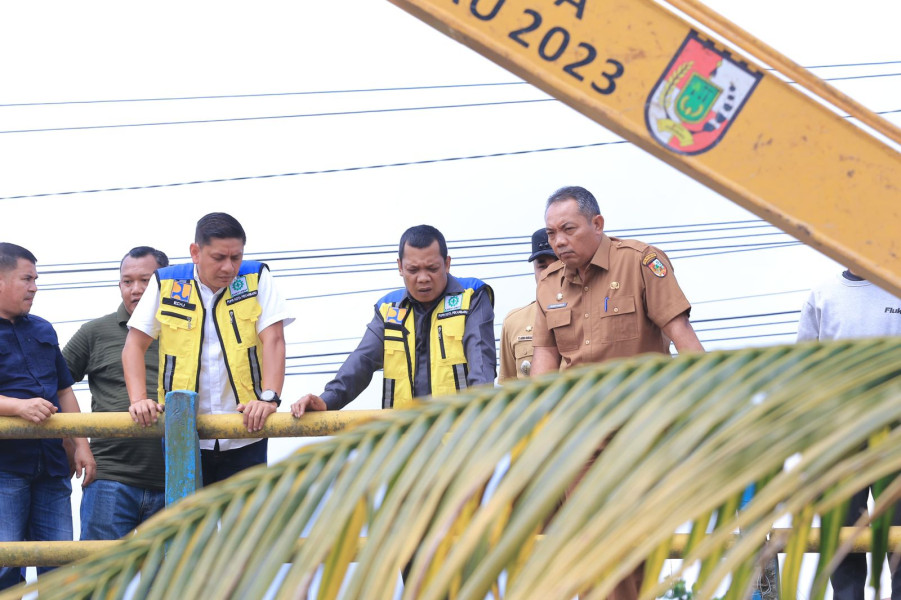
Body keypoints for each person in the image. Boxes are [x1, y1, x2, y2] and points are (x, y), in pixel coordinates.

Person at [530, 186, 703, 600]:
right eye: (552, 233)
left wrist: (709, 404)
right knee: (591, 544)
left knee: (629, 545)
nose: (558, 241)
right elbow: (544, 359)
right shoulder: (548, 285)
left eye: (568, 229)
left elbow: (682, 336)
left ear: (597, 224)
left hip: (639, 434)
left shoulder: (642, 262)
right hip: (580, 437)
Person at [122, 213, 292, 487]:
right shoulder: (166, 283)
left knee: (247, 526)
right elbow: (133, 346)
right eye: (218, 258)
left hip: (247, 431)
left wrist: (269, 398)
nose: (229, 267)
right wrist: (139, 399)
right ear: (195, 252)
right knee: (192, 527)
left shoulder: (256, 278)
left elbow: (274, 340)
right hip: (183, 432)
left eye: (235, 257)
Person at [291, 224, 495, 415]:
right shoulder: (388, 308)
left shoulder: (472, 296)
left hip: (460, 440)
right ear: (400, 267)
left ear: (447, 264)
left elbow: (481, 362)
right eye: (413, 270)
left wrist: (480, 411)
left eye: (432, 268)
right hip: (403, 443)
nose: (423, 278)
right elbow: (362, 360)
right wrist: (327, 400)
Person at [797, 268, 901, 600]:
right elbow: (804, 369)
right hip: (840, 433)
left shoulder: (897, 287)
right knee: (843, 544)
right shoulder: (823, 294)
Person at [0, 243, 95, 590]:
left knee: (60, 569)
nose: (34, 287)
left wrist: (81, 445)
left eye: (35, 279)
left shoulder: (43, 328)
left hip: (53, 465)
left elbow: (64, 391)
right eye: (27, 279)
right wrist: (15, 407)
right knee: (5, 570)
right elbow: (22, 405)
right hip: (5, 469)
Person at [62, 246, 169, 540]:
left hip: (177, 480)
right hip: (109, 477)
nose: (136, 290)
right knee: (100, 582)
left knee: (171, 585)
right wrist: (74, 442)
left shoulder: (188, 331)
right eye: (127, 281)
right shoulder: (95, 332)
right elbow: (54, 385)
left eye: (146, 281)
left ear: (165, 283)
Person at [498, 228, 558, 382]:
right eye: (542, 266)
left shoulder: (586, 311)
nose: (549, 272)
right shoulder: (514, 321)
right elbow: (509, 390)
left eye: (557, 263)